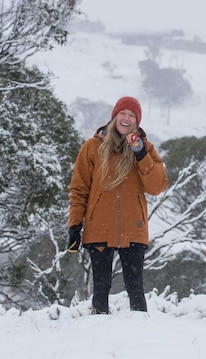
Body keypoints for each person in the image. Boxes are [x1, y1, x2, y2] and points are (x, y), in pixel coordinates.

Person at [66, 96, 169, 314]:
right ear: (114, 117)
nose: (127, 118)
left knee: (136, 290)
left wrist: (141, 154)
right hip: (99, 228)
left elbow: (157, 186)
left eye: (132, 115)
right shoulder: (92, 147)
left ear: (137, 122)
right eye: (123, 113)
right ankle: (96, 335)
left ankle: (141, 335)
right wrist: (74, 225)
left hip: (134, 229)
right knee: (100, 289)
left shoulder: (145, 149)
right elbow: (79, 189)